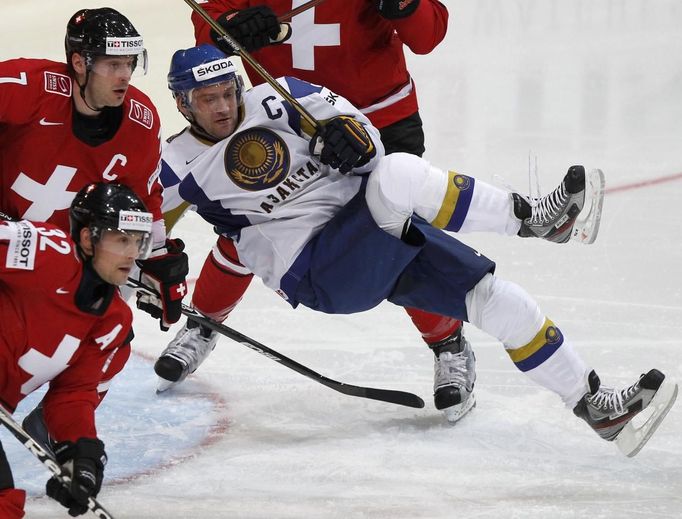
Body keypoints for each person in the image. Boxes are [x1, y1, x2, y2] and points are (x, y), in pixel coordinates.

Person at [165, 49, 676, 456]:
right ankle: (533, 219)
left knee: (499, 301)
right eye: (206, 99)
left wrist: (356, 141)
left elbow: (364, 137)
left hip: (369, 233)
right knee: (399, 178)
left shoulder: (282, 99)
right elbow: (131, 222)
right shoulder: (175, 162)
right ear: (183, 104)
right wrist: (136, 273)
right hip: (317, 269)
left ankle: (594, 407)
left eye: (227, 92)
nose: (222, 106)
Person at [178, 0, 477, 418]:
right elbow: (208, 28)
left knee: (400, 234)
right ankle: (203, 324)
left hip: (380, 118)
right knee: (253, 227)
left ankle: (448, 345)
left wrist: (402, 5)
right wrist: (230, 29)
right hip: (289, 122)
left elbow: (427, 36)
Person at [0, 6, 188, 334]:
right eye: (113, 64)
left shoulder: (140, 123)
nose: (125, 75)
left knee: (106, 332)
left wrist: (157, 257)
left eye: (130, 63)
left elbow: (144, 197)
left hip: (59, 260)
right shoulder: (27, 87)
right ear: (79, 63)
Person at [0, 183, 154, 518]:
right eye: (122, 239)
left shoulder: (112, 320)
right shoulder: (45, 250)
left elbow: (73, 393)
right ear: (88, 239)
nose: (132, 253)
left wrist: (80, 455)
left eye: (138, 241)